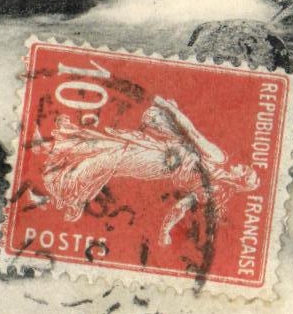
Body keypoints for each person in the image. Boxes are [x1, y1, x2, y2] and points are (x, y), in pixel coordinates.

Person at [38, 94, 260, 245]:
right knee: (111, 147)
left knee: (113, 157)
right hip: (159, 154)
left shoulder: (217, 161)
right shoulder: (213, 187)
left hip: (158, 160)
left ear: (240, 181)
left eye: (246, 172)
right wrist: (165, 231)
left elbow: (192, 132)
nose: (244, 167)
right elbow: (180, 207)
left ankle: (65, 186)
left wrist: (169, 107)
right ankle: (62, 155)